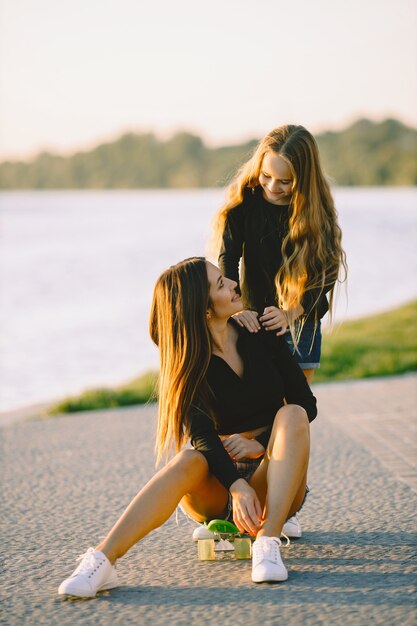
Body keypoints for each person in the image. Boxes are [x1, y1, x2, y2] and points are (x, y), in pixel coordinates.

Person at [58, 257, 317, 597]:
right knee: (187, 458)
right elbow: (202, 437)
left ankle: (267, 543)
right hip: (214, 487)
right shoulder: (187, 362)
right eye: (221, 285)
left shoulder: (261, 333)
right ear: (204, 309)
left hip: (273, 480)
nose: (234, 285)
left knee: (293, 415)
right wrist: (236, 486)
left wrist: (261, 441)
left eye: (226, 279)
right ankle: (101, 562)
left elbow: (306, 404)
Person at [213, 124, 347, 384]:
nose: (272, 186)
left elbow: (326, 272)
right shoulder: (244, 203)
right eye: (266, 175)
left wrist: (291, 312)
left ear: (303, 178)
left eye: (285, 181)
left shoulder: (317, 211)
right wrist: (235, 309)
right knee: (256, 405)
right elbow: (228, 257)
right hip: (252, 319)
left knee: (297, 404)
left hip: (301, 319)